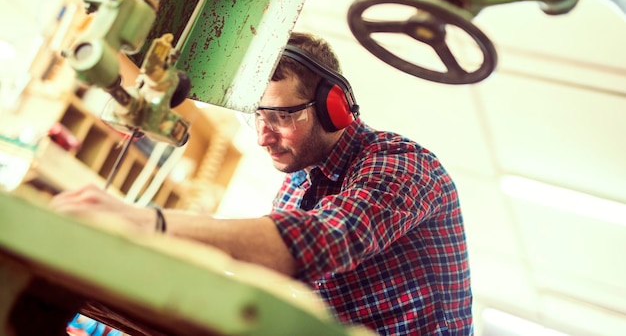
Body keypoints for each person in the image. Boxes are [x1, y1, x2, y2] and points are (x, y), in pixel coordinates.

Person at [51, 32, 473, 335]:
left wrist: (147, 223)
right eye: (256, 115)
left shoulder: (402, 165)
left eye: (281, 116)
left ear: (335, 107)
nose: (262, 135)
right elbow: (261, 275)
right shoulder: (294, 187)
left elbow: (322, 239)